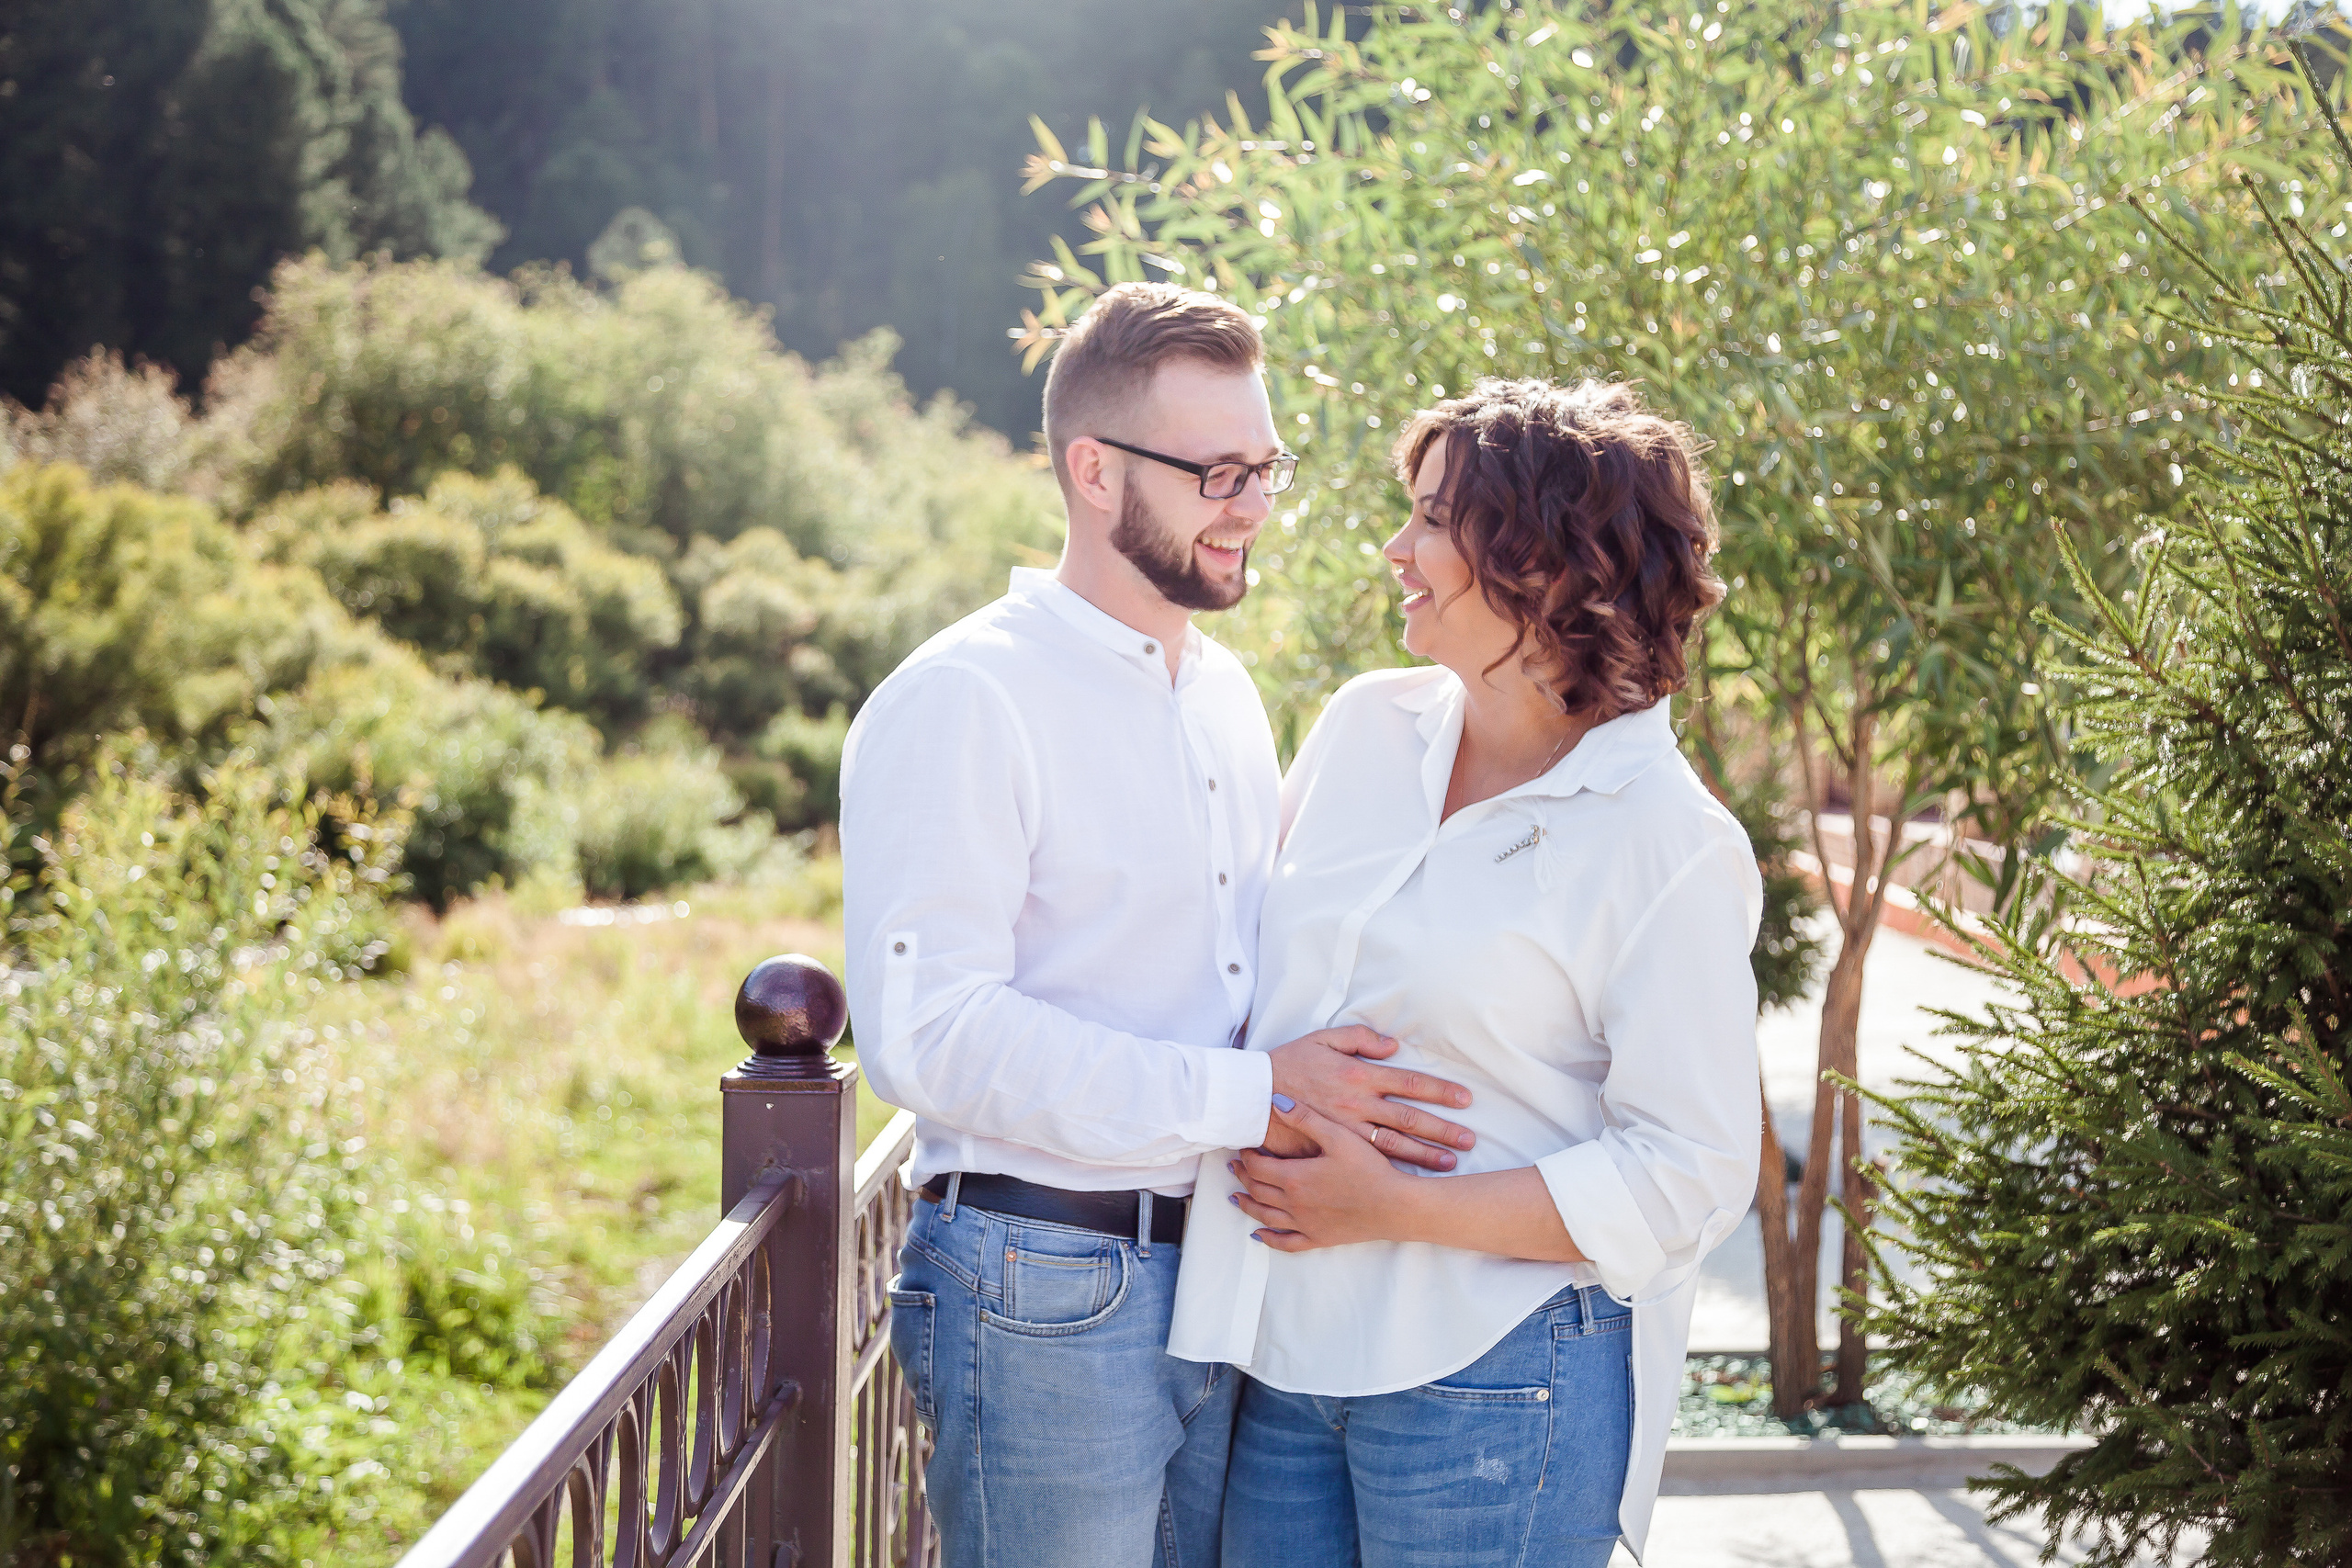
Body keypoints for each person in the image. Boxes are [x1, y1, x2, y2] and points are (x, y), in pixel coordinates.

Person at [839, 282, 1483, 1568]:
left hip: (1221, 1278)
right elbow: (930, 1041)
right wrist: (1254, 1095)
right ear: (1093, 471)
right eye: (1218, 472)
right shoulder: (967, 696)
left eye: (1267, 469)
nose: (1252, 507)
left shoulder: (1228, 696)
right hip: (1039, 1286)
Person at [1171, 377, 1763, 1567]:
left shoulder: (1667, 840)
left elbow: (1692, 1171)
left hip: (1500, 1376)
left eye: (1435, 519)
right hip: (1280, 1355)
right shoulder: (1362, 727)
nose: (1398, 548)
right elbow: (1246, 976)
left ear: (1550, 560)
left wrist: (1400, 1209)